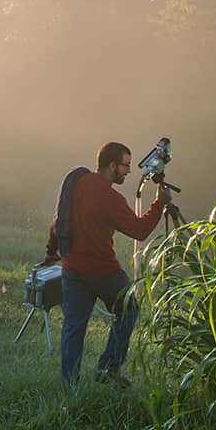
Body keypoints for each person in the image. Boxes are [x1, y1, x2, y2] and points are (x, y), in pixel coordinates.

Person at [47, 141, 166, 386]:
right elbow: (139, 230)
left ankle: (69, 385)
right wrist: (159, 204)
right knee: (129, 309)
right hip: (102, 270)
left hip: (71, 267)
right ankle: (107, 371)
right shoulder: (110, 197)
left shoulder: (77, 181)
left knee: (74, 326)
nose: (129, 171)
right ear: (112, 165)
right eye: (126, 166)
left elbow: (58, 218)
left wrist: (52, 251)